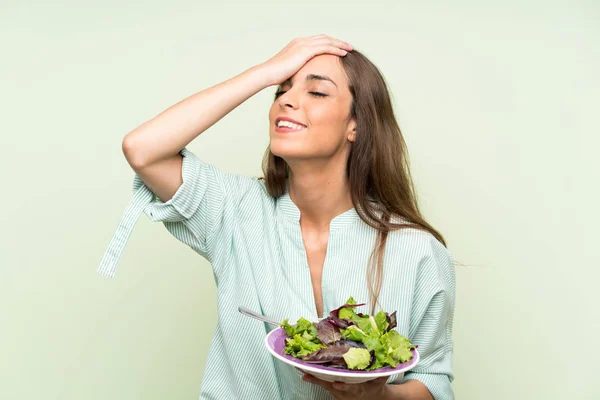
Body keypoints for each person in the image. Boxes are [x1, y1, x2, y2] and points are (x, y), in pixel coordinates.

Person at [98, 34, 456, 400]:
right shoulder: (234, 209)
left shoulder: (416, 250)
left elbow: (432, 381)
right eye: (279, 92)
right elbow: (143, 149)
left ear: (356, 125)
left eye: (317, 93)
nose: (286, 100)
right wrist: (265, 72)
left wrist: (376, 396)